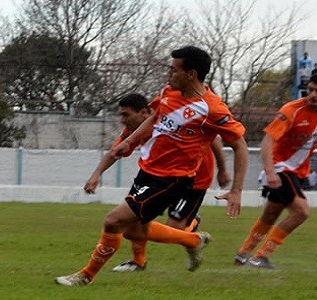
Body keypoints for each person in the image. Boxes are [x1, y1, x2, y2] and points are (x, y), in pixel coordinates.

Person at [55, 46, 248, 286]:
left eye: (174, 70)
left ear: (192, 74)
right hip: (147, 172)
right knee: (133, 232)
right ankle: (193, 240)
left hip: (173, 179)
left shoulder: (212, 109)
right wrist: (130, 141)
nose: (169, 74)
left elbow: (240, 146)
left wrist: (236, 189)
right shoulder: (169, 92)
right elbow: (154, 118)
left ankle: (86, 276)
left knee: (113, 221)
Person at [84, 93, 231, 272]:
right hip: (159, 176)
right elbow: (116, 151)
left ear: (144, 113)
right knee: (133, 222)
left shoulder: (171, 120)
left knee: (172, 227)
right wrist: (96, 174)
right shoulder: (133, 131)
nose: (121, 120)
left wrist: (222, 168)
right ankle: (139, 261)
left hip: (195, 179)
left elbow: (213, 137)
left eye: (126, 115)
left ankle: (192, 228)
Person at [234, 73, 317, 269]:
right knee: (302, 212)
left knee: (270, 215)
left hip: (296, 172)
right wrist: (270, 172)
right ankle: (261, 256)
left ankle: (243, 254)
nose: (313, 94)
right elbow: (267, 141)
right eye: (311, 89)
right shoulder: (292, 110)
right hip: (280, 168)